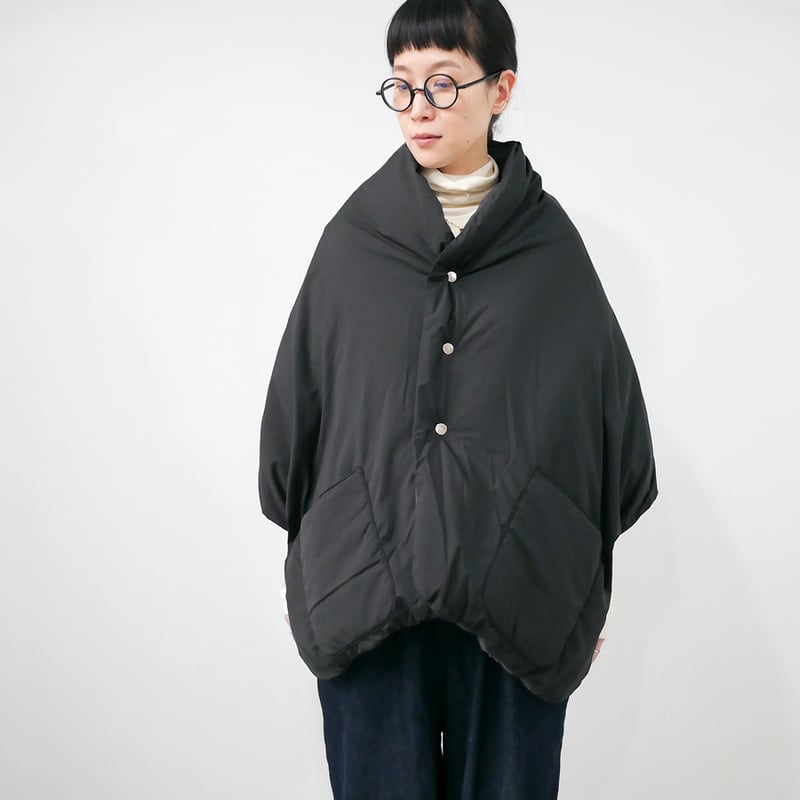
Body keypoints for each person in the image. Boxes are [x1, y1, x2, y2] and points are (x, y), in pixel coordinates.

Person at [258, 1, 658, 797]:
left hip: (514, 597)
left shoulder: (551, 252)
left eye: (442, 83)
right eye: (401, 85)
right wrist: (311, 562)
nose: (418, 108)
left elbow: (614, 441)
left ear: (501, 89)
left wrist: (576, 571)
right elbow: (294, 423)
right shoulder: (353, 244)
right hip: (368, 596)